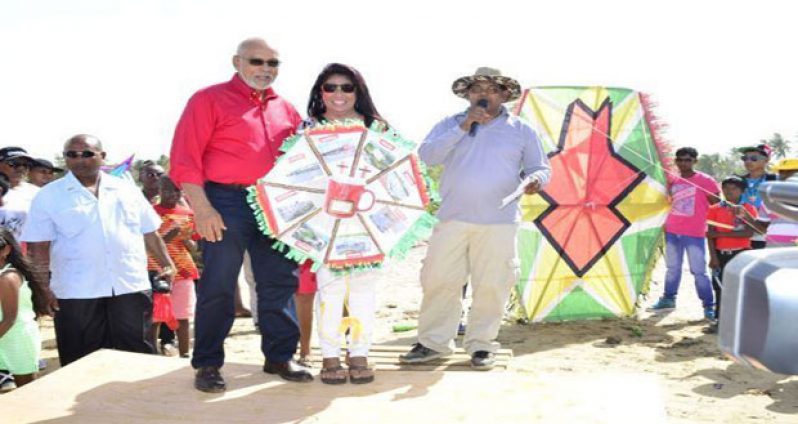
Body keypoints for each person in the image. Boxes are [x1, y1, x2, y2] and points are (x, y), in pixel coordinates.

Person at [169, 37, 309, 393]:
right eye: (257, 61)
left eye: (273, 63)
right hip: (224, 201)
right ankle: (208, 364)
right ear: (237, 61)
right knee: (218, 285)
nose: (265, 69)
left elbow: (301, 163)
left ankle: (279, 356)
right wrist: (202, 208)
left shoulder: (288, 110)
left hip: (274, 204)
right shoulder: (207, 99)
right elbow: (185, 159)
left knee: (280, 282)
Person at [399, 67, 550, 370]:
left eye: (492, 89)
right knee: (439, 280)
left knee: (493, 284)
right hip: (452, 218)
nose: (483, 94)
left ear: (504, 95)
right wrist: (464, 127)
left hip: (500, 221)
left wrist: (536, 181)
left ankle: (482, 345)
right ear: (467, 95)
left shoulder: (522, 130)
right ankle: (433, 343)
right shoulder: (449, 123)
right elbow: (426, 157)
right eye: (477, 89)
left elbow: (540, 167)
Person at [21, 134, 176, 366]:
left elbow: (149, 232)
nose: (79, 159)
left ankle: (137, 402)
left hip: (129, 284)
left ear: (102, 156)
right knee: (81, 358)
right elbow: (38, 247)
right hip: (76, 290)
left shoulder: (127, 190)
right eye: (71, 155)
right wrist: (43, 288)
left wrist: (166, 263)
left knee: (136, 354)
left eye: (87, 154)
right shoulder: (49, 196)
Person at [303, 62, 391, 384]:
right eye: (331, 87)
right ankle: (329, 356)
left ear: (358, 91)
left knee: (363, 292)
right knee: (330, 290)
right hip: (326, 224)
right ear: (321, 93)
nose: (339, 94)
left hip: (367, 224)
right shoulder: (306, 130)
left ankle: (359, 353)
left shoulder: (378, 129)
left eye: (346, 87)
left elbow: (394, 174)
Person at [650, 147, 720, 319]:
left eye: (688, 160)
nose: (683, 163)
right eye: (680, 160)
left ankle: (708, 305)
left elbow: (717, 204)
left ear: (695, 161)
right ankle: (668, 299)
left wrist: (711, 227)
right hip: (673, 230)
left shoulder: (705, 180)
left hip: (694, 232)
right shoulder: (672, 179)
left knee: (698, 271)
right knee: (672, 268)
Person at [147, 175, 199, 358]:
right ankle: (152, 353)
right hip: (155, 270)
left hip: (183, 270)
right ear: (159, 191)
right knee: (155, 317)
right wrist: (168, 237)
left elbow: (194, 246)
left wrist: (185, 239)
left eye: (176, 190)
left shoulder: (188, 214)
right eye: (167, 190)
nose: (172, 195)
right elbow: (146, 244)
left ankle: (185, 353)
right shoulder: (150, 212)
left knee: (182, 315)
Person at [706, 176, 756, 324]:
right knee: (720, 287)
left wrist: (720, 234)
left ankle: (741, 321)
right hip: (721, 254)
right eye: (726, 188)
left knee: (741, 287)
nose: (729, 192)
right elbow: (710, 235)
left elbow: (748, 233)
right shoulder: (714, 209)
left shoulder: (747, 208)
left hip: (741, 253)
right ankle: (720, 319)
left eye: (734, 189)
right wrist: (713, 257)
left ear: (742, 191)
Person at [0, 228, 42, 390]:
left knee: (27, 389)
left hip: (17, 338)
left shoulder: (7, 278)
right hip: (5, 336)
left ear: (6, 250)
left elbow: (9, 319)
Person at [738, 144, 777, 249]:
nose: (748, 161)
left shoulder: (776, 180)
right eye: (745, 158)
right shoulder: (736, 181)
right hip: (739, 235)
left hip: (766, 236)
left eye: (754, 158)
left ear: (766, 160)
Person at [0, 147, 40, 240]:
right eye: (14, 164)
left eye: (25, 165)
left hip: (24, 251)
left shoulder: (37, 193)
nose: (21, 168)